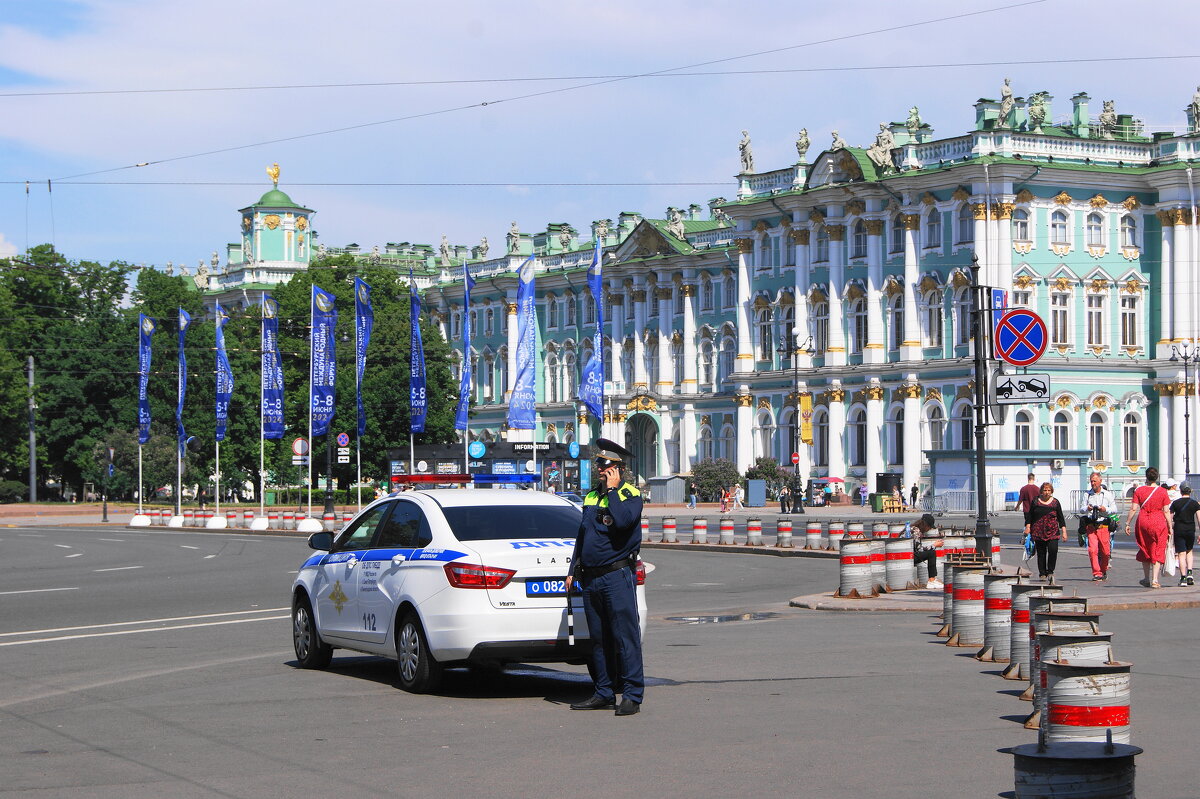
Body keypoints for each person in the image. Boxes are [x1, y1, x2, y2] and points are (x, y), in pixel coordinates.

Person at [567, 438, 645, 716]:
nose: (600, 469)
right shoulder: (590, 496)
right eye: (599, 464)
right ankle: (603, 691)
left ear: (618, 469)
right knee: (598, 639)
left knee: (625, 637)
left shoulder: (630, 495)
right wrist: (572, 568)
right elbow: (583, 535)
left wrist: (612, 491)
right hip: (591, 578)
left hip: (616, 575)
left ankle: (632, 695)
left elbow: (623, 522)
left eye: (606, 465)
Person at [1125, 466, 1173, 589]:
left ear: (1146, 477)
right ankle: (1155, 580)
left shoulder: (1139, 491)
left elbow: (1133, 508)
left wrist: (1127, 523)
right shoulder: (1162, 491)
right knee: (1158, 548)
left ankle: (1146, 578)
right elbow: (1166, 511)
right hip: (1158, 521)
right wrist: (1170, 526)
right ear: (1157, 477)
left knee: (1145, 548)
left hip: (1143, 521)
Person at [1023, 481, 1067, 584]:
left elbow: (1061, 517)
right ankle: (1042, 573)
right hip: (1038, 531)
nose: (1047, 492)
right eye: (1045, 490)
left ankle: (1050, 571)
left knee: (1053, 550)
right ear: (1041, 491)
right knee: (1041, 553)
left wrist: (1064, 532)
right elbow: (1030, 516)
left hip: (1052, 531)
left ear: (1052, 491)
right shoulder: (1035, 501)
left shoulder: (1055, 502)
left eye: (1049, 490)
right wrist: (1028, 527)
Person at [1079, 471, 1116, 581]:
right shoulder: (1087, 494)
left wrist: (1105, 509)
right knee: (1092, 550)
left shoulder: (1107, 494)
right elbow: (1081, 509)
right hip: (1091, 526)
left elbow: (1115, 509)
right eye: (1091, 481)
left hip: (1103, 525)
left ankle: (1103, 570)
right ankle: (1096, 572)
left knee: (1105, 552)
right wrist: (1088, 508)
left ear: (1100, 481)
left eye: (1094, 481)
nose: (1093, 483)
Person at [1169, 483, 1198, 586]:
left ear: (1180, 491)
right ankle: (1190, 573)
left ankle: (1183, 578)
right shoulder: (1194, 503)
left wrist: (1169, 529)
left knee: (1181, 553)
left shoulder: (1175, 503)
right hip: (1190, 530)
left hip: (1179, 529)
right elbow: (1199, 518)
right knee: (1189, 551)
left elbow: (1170, 517)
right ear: (1190, 491)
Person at [907, 513, 944, 589]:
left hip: (907, 555)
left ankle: (932, 579)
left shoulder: (913, 528)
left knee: (931, 552)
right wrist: (934, 545)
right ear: (926, 525)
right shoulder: (916, 531)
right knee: (931, 553)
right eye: (929, 527)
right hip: (909, 556)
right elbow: (919, 549)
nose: (929, 529)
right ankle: (931, 580)